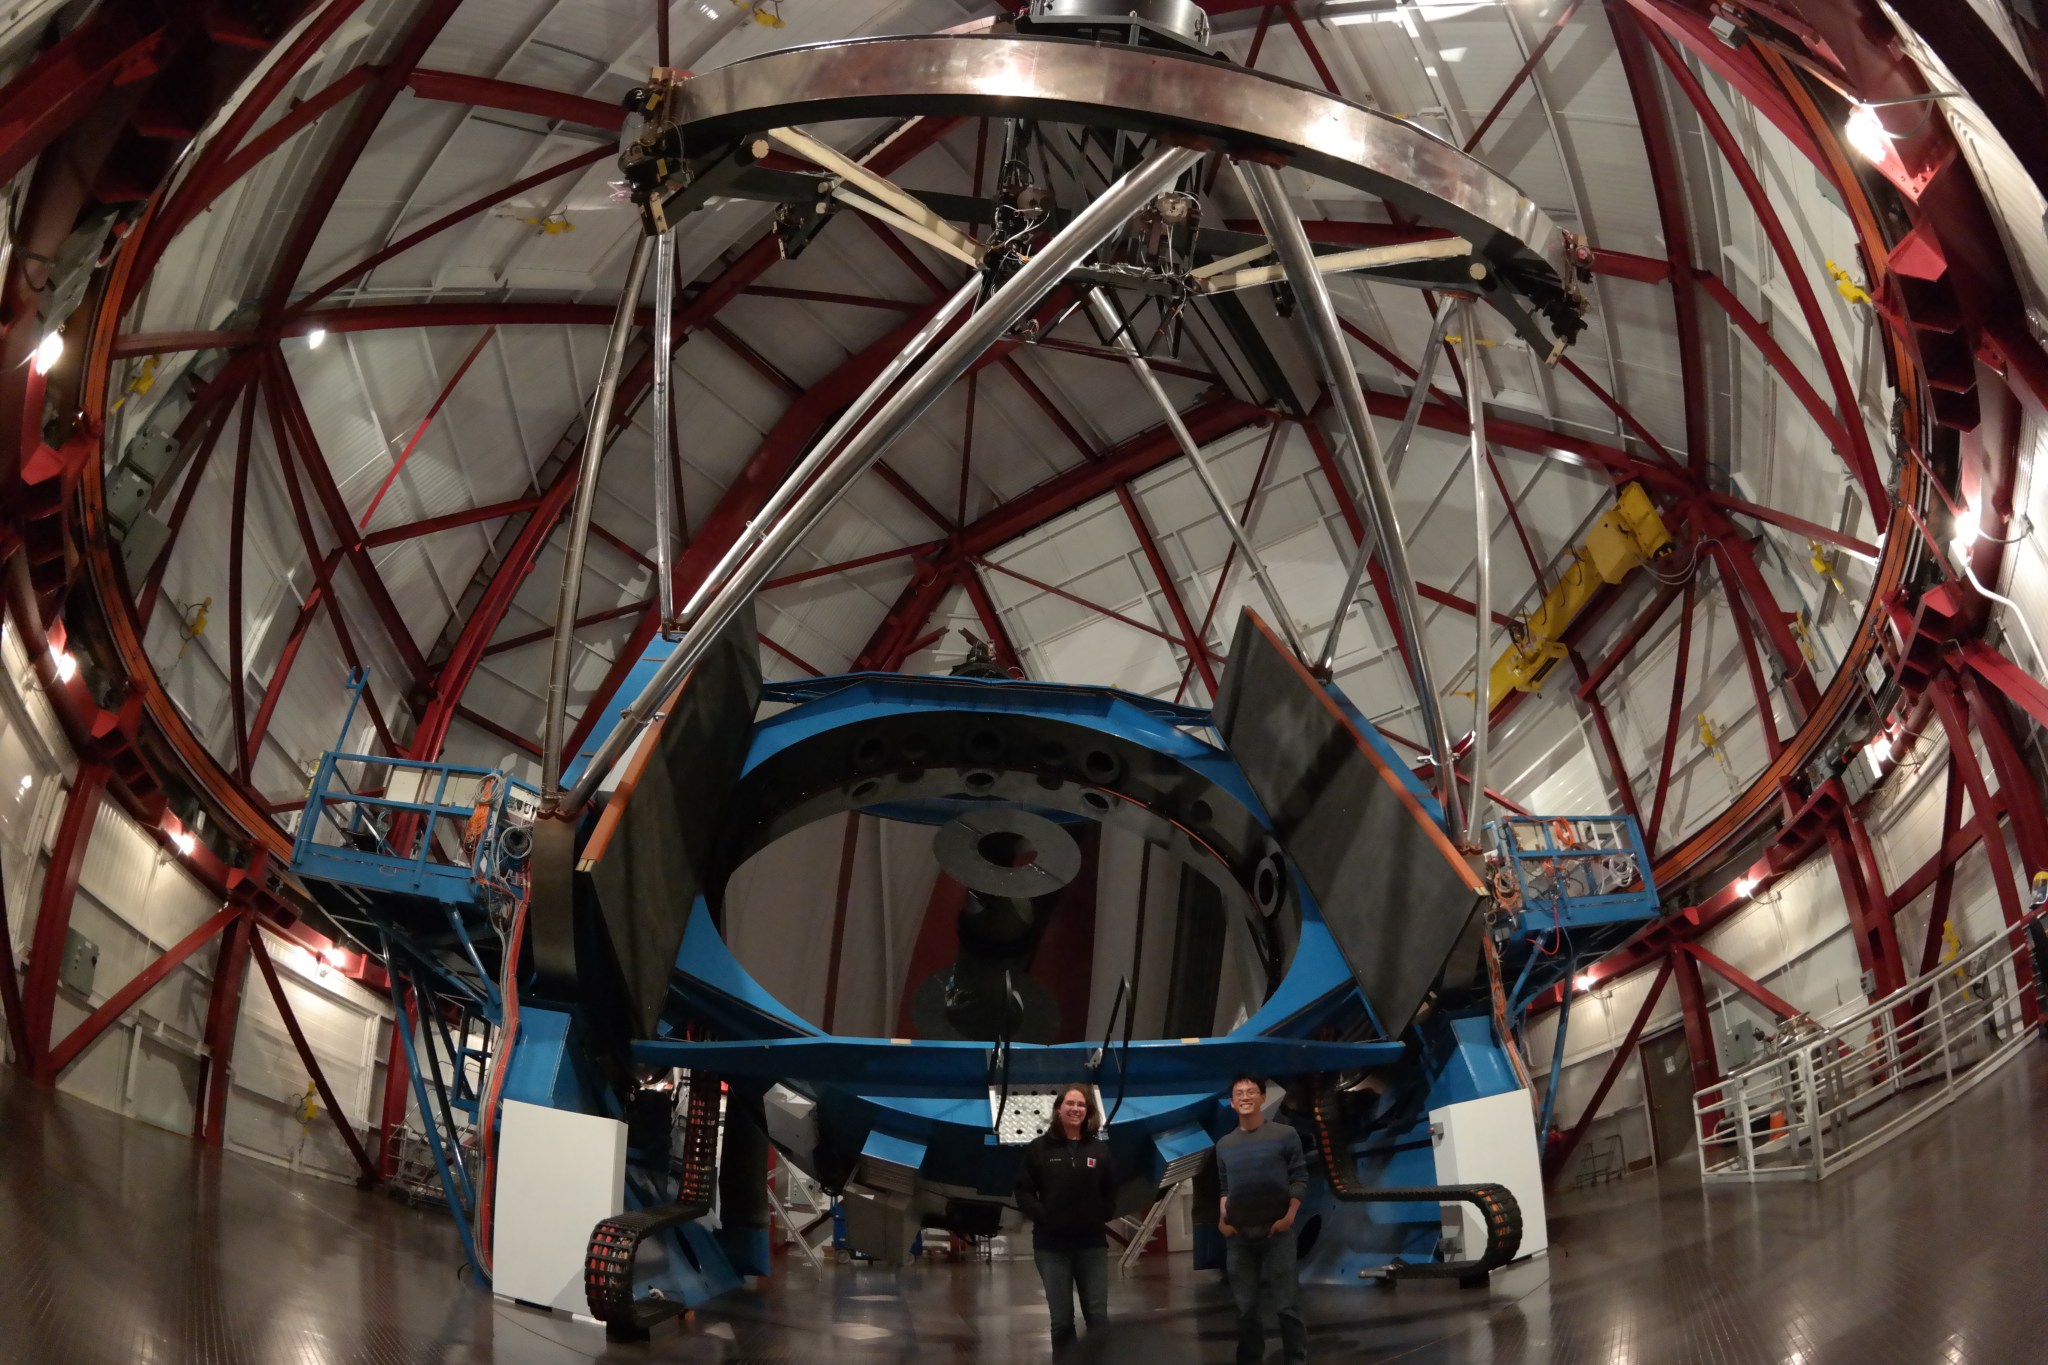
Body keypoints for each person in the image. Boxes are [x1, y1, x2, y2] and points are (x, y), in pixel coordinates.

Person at [1014, 1084, 1117, 1354]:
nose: (1075, 1109)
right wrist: (1044, 1216)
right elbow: (1023, 1191)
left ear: (1088, 1111)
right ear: (1059, 1108)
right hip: (1051, 1248)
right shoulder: (1039, 1149)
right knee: (1061, 1322)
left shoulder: (1099, 1150)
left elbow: (1110, 1192)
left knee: (1097, 1317)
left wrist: (1098, 1215)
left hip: (1091, 1246)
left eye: (1081, 1105)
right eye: (1070, 1104)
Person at [1216, 1074, 1308, 1365]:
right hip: (1239, 1238)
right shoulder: (1224, 1144)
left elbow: (1300, 1178)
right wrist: (1223, 1219)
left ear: (1262, 1097)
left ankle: (1296, 1359)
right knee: (1245, 1309)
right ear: (1231, 1102)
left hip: (1277, 1233)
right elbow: (1225, 1188)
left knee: (1286, 1306)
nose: (1245, 1096)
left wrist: (1289, 1218)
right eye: (1239, 1093)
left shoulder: (1284, 1135)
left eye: (1251, 1091)